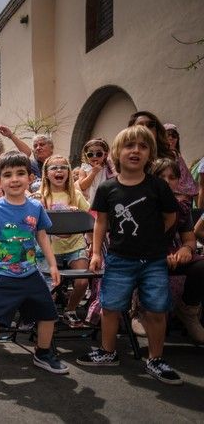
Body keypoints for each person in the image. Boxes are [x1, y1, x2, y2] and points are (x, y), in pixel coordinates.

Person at [76, 125, 182, 385]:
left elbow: (171, 216)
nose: (135, 151)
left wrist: (157, 237)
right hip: (119, 259)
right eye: (129, 146)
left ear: (150, 154)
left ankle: (156, 358)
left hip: (153, 260)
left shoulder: (158, 186)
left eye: (143, 146)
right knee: (110, 307)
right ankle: (107, 351)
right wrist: (95, 253)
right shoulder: (107, 189)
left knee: (156, 310)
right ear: (116, 152)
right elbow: (100, 222)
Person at [0, 151, 67, 381]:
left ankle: (42, 353)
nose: (15, 179)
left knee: (48, 313)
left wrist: (52, 265)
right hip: (2, 276)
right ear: (0, 181)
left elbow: (42, 237)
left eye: (21, 173)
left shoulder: (36, 208)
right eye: (8, 175)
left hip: (32, 274)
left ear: (30, 178)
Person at [151, 158, 204, 344]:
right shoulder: (141, 203)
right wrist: (159, 256)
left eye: (172, 177)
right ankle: (140, 310)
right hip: (144, 253)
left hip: (172, 251)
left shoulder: (181, 206)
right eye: (161, 176)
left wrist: (186, 249)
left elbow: (189, 238)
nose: (167, 181)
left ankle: (188, 310)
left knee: (201, 265)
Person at [39, 155, 91, 328]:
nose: (59, 170)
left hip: (75, 245)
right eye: (54, 168)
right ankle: (48, 313)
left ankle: (70, 309)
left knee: (83, 280)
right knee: (49, 287)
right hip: (50, 249)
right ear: (46, 174)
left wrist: (76, 217)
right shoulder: (41, 197)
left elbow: (91, 218)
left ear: (69, 172)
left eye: (63, 167)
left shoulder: (75, 194)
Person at [163, 123, 198, 204]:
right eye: (168, 135)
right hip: (175, 196)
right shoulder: (163, 155)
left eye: (174, 136)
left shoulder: (176, 154)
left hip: (184, 197)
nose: (171, 138)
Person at [76, 138, 117, 205]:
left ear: (105, 155)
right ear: (86, 155)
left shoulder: (108, 168)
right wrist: (93, 173)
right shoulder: (85, 167)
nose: (94, 156)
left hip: (104, 201)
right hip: (88, 201)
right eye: (90, 154)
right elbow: (82, 186)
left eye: (98, 154)